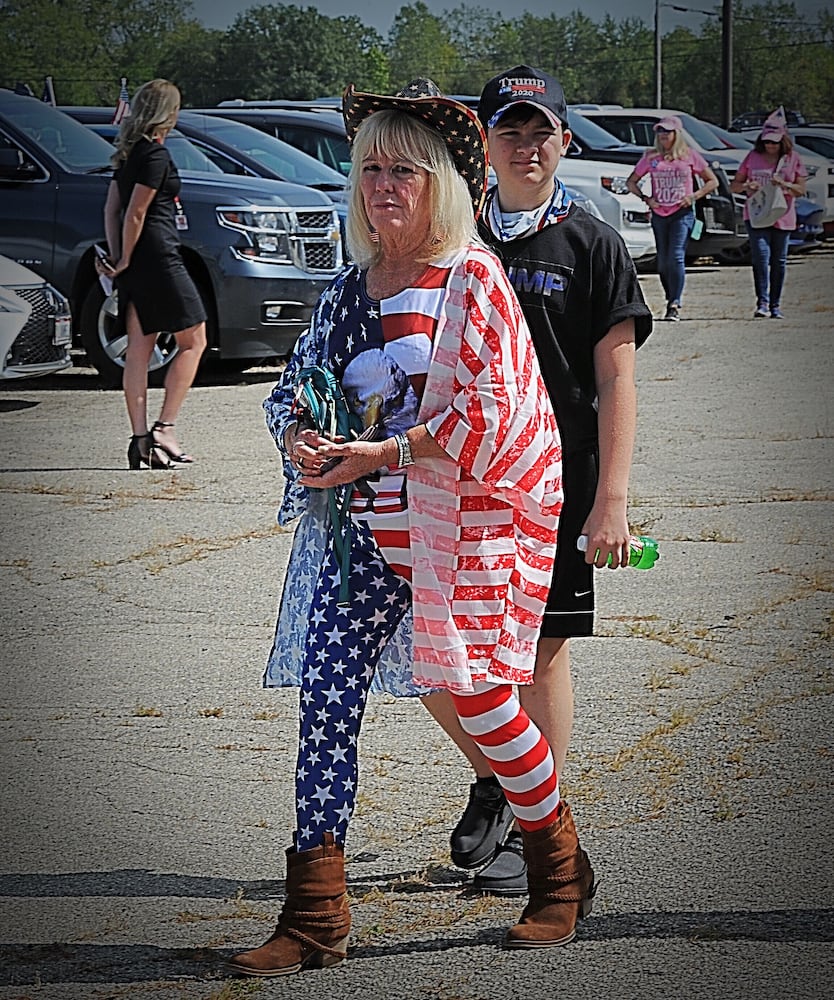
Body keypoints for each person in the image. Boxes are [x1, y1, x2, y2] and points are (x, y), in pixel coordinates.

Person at [228, 78, 594, 979]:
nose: (383, 186)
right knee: (324, 706)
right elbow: (291, 389)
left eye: (405, 170)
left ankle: (561, 872)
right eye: (370, 169)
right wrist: (304, 435)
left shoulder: (474, 279)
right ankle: (315, 915)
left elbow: (499, 414)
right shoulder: (351, 289)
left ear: (441, 185)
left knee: (485, 704)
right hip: (363, 548)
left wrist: (382, 453)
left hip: (456, 542)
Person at [421, 65, 653, 898]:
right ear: (483, 139)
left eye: (541, 130)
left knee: (538, 654)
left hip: (556, 483)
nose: (527, 145)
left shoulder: (590, 241)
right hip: (455, 479)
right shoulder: (450, 236)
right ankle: (503, 780)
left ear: (565, 138)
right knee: (436, 661)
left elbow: (617, 377)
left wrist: (613, 498)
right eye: (509, 130)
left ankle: (536, 833)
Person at [97, 78, 206, 469]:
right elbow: (136, 212)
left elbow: (112, 210)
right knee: (194, 340)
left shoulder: (126, 155)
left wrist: (117, 258)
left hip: (136, 262)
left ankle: (140, 439)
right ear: (168, 114)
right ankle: (165, 427)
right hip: (158, 257)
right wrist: (124, 258)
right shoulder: (156, 156)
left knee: (139, 352)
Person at [625, 115, 718, 322]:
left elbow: (712, 181)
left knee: (676, 256)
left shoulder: (689, 156)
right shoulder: (651, 157)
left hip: (682, 213)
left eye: (667, 132)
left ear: (677, 134)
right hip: (659, 213)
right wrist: (646, 199)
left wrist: (693, 196)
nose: (663, 136)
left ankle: (675, 302)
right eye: (660, 131)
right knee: (664, 261)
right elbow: (631, 182)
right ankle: (669, 296)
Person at [729, 106, 807, 319]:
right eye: (766, 141)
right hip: (757, 215)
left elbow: (801, 190)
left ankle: (776, 304)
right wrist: (747, 186)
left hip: (783, 215)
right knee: (761, 257)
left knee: (779, 260)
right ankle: (762, 301)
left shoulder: (793, 159)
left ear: (783, 140)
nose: (770, 146)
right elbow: (734, 185)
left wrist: (784, 184)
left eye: (774, 142)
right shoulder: (752, 157)